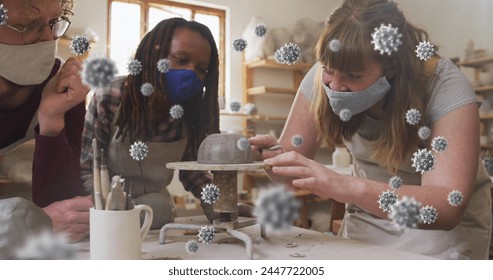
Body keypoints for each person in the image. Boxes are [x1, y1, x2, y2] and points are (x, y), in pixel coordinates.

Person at [249, 0, 492, 259]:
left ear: (393, 67)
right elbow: (288, 177)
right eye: (330, 71)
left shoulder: (444, 85)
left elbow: (445, 207)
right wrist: (273, 157)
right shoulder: (324, 74)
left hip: (440, 236)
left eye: (353, 76)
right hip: (369, 220)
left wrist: (343, 186)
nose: (337, 86)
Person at [80, 18, 222, 229]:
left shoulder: (191, 112)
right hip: (107, 210)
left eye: (201, 69)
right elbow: (86, 169)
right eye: (181, 60)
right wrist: (110, 210)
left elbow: (192, 171)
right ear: (154, 56)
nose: (191, 73)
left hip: (155, 214)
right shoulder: (111, 95)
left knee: (158, 208)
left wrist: (219, 202)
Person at [0, 0, 92, 244]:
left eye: (53, 24)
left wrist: (52, 121)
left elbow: (69, 215)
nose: (48, 38)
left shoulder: (61, 86)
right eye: (28, 24)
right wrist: (31, 226)